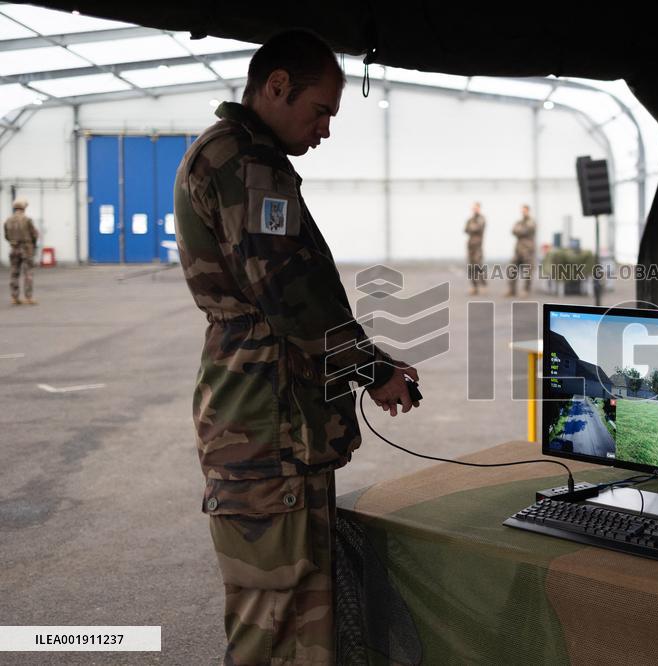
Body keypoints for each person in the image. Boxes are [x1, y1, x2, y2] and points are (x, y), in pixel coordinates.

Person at [173, 30, 418, 665]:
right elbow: (290, 294)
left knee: (302, 619)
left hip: (276, 421)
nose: (325, 130)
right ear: (277, 86)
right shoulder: (244, 163)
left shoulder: (245, 157)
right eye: (321, 110)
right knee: (276, 620)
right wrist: (375, 371)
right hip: (266, 427)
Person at [4, 198, 38, 305]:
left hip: (14, 249)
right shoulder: (27, 220)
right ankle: (28, 298)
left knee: (14, 273)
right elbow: (35, 235)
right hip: (26, 249)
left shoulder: (8, 220)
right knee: (28, 273)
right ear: (24, 207)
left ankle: (15, 298)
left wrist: (13, 242)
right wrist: (33, 245)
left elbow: (6, 236)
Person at [507, 203, 536, 296]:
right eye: (522, 210)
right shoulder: (519, 222)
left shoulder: (531, 221)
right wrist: (520, 230)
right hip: (518, 250)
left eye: (524, 210)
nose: (523, 212)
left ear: (528, 211)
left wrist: (519, 230)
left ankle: (526, 290)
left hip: (528, 250)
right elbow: (513, 231)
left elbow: (525, 230)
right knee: (512, 269)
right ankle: (512, 290)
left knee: (527, 271)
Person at [464, 202, 487, 295]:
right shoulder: (470, 219)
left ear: (479, 208)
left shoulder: (481, 219)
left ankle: (483, 282)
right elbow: (466, 229)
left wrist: (471, 228)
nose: (475, 209)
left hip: (478, 246)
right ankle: (474, 287)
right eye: (473, 208)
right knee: (471, 266)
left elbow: (477, 228)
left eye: (476, 208)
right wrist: (471, 227)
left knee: (478, 264)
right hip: (470, 246)